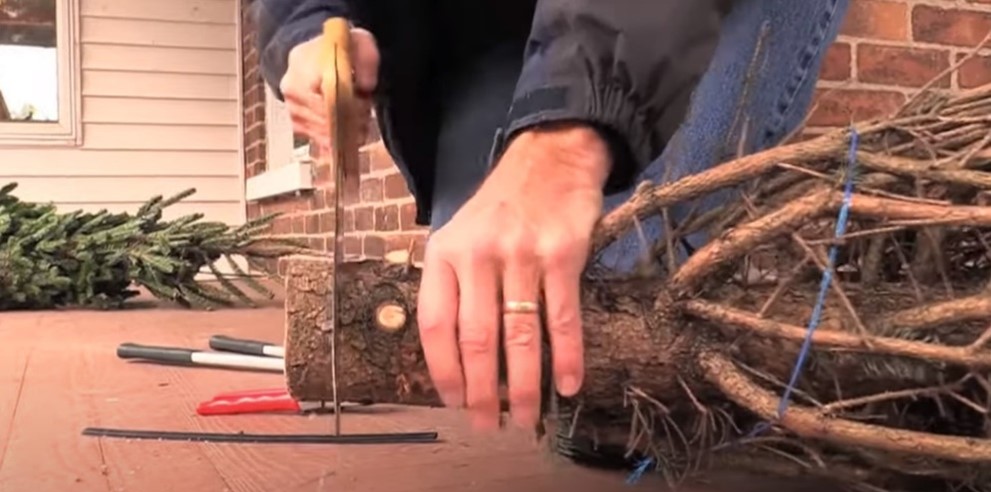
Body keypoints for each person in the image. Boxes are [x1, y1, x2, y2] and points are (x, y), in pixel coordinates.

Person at [256, 0, 850, 432]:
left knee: (624, 305)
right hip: (487, 39)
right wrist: (310, 31)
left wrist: (563, 144)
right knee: (512, 322)